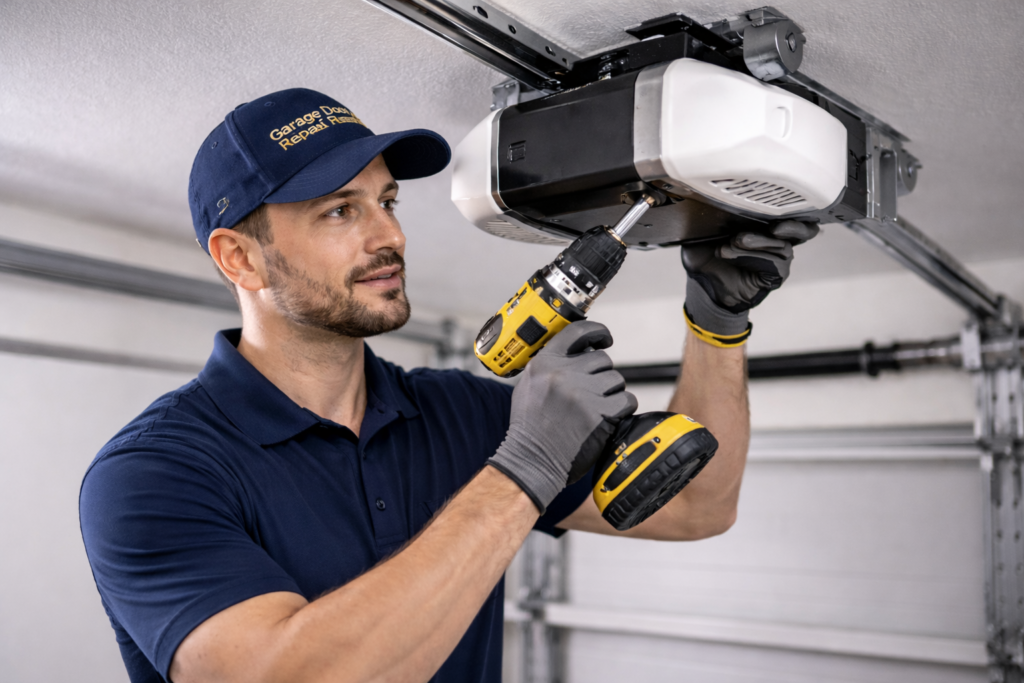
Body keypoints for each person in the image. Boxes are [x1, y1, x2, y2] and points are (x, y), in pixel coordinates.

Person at [79, 87, 817, 683]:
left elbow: (696, 505)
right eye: (340, 209)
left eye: (387, 202)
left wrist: (716, 321)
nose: (389, 236)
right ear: (239, 258)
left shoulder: (462, 414)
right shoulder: (154, 472)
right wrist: (523, 468)